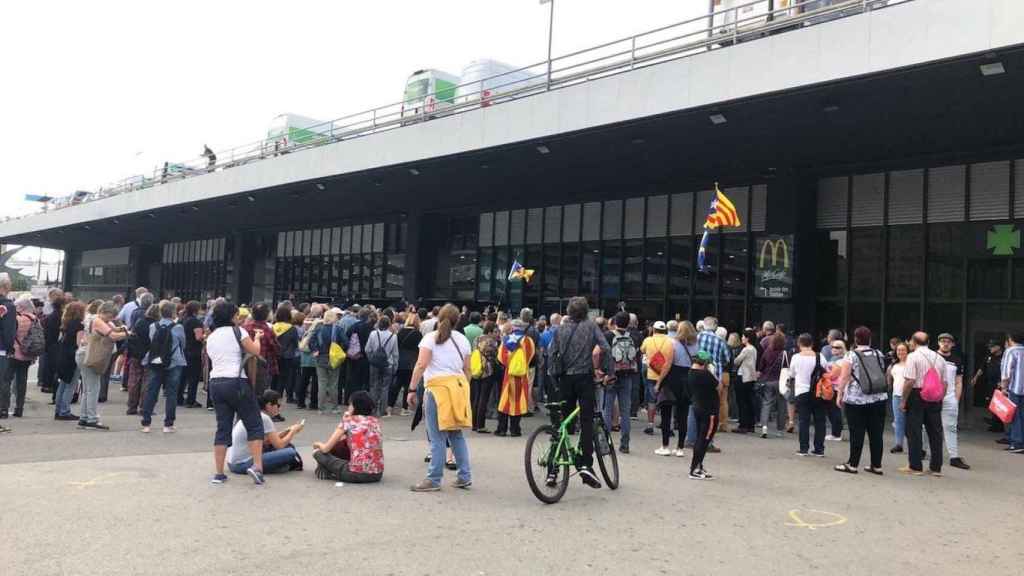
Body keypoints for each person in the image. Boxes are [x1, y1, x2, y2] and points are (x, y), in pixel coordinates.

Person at [406, 304, 473, 492]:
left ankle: (434, 478)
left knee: (436, 436)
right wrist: (463, 387)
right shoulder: (463, 340)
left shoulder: (430, 338)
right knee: (456, 434)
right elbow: (468, 369)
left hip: (436, 389)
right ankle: (464, 476)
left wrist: (412, 389)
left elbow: (421, 365)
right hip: (458, 388)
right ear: (457, 320)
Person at [547, 297, 609, 489]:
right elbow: (605, 347)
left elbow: (551, 353)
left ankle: (552, 469)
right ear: (586, 311)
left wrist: (555, 378)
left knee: (562, 424)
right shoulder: (591, 327)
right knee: (587, 420)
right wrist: (605, 371)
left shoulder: (560, 329)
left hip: (564, 379)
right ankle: (585, 464)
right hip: (584, 378)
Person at [206, 301, 266, 485]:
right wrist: (257, 338)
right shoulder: (239, 331)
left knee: (223, 426)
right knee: (254, 423)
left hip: (216, 382)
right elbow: (255, 351)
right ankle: (257, 466)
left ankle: (219, 473)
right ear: (232, 316)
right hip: (236, 380)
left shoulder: (212, 336)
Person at [832, 326, 888, 475]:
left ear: (855, 339)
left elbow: (844, 377)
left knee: (857, 432)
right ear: (870, 339)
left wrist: (839, 394)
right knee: (876, 433)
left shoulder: (851, 355)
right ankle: (876, 465)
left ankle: (853, 464)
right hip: (878, 397)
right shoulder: (878, 354)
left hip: (857, 399)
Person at [900, 332, 946, 476]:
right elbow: (944, 382)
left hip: (917, 395)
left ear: (914, 342)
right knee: (935, 432)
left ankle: (915, 465)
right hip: (935, 396)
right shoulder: (939, 358)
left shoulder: (913, 357)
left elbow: (909, 381)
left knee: (914, 430)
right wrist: (940, 397)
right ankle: (936, 467)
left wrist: (903, 400)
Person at [312, 390, 384, 483]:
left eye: (350, 405)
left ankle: (325, 467)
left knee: (318, 452)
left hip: (355, 474)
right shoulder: (375, 421)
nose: (348, 407)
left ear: (355, 407)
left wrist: (316, 444)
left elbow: (326, 448)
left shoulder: (348, 421)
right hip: (377, 474)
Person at [227, 390, 304, 475]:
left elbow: (267, 440)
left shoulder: (254, 414)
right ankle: (277, 467)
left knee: (288, 446)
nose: (279, 408)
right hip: (242, 464)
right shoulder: (264, 418)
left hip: (232, 463)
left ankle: (278, 466)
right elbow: (279, 445)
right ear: (269, 405)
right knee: (290, 452)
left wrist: (288, 430)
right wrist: (293, 431)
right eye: (277, 405)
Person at [78, 301, 128, 430]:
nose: (111, 319)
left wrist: (122, 329)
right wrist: (128, 334)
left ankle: (84, 417)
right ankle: (92, 418)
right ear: (105, 312)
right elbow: (113, 335)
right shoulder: (98, 321)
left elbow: (112, 328)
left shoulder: (93, 318)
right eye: (110, 316)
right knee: (93, 388)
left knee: (87, 389)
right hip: (91, 355)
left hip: (84, 354)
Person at [140, 300, 186, 434]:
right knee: (171, 393)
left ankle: (146, 423)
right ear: (173, 312)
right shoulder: (178, 327)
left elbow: (151, 341)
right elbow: (182, 344)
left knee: (152, 391)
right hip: (174, 362)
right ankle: (168, 424)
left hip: (156, 361)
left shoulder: (153, 326)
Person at [655, 320, 699, 457]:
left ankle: (665, 445)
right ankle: (680, 447)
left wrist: (659, 382)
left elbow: (667, 365)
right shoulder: (696, 346)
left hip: (672, 379)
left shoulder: (672, 343)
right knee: (682, 414)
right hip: (688, 379)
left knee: (666, 412)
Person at [602, 312, 637, 453]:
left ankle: (605, 445)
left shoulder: (608, 336)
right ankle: (625, 445)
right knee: (625, 412)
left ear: (615, 322)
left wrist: (599, 370)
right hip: (627, 376)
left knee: (607, 410)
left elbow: (597, 353)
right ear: (629, 323)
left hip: (610, 376)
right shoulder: (633, 337)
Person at [495, 319, 534, 437]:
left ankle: (501, 429)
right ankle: (515, 429)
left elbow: (501, 357)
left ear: (512, 328)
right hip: (522, 375)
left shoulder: (506, 339)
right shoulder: (528, 341)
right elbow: (530, 356)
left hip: (509, 374)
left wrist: (509, 364)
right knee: (518, 401)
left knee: (505, 401)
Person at [936, 333, 970, 470]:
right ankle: (923, 450)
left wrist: (956, 399)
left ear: (953, 344)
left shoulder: (957, 359)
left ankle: (954, 457)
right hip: (932, 396)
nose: (945, 343)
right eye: (943, 341)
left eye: (948, 342)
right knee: (927, 426)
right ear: (938, 343)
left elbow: (959, 381)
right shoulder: (932, 356)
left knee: (950, 427)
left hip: (950, 397)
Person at [789, 333, 827, 457]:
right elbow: (826, 371)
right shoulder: (820, 356)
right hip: (818, 391)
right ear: (812, 344)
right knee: (820, 421)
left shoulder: (796, 357)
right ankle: (819, 449)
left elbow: (792, 374)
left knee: (803, 420)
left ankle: (803, 448)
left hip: (802, 391)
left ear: (799, 343)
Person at [2, 296, 38, 419]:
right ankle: (19, 408)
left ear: (21, 307)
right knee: (22, 382)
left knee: (6, 380)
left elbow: (10, 334)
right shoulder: (35, 319)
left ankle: (4, 408)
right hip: (27, 354)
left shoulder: (16, 319)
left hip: (13, 353)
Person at [687, 351, 720, 480]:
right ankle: (694, 468)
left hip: (697, 406)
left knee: (701, 437)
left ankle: (698, 466)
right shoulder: (705, 374)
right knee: (705, 439)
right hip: (709, 410)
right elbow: (719, 387)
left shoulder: (690, 373)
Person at [698, 317, 732, 435]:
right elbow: (727, 359)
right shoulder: (720, 340)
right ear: (715, 326)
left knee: (697, 403)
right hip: (714, 375)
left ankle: (697, 430)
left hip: (698, 373)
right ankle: (709, 434)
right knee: (713, 404)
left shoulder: (697, 337)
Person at [640, 320, 673, 436]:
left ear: (653, 329)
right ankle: (667, 425)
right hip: (666, 374)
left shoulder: (648, 340)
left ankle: (650, 425)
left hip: (651, 374)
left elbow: (642, 350)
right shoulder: (670, 342)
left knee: (651, 400)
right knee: (666, 401)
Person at [125, 292, 156, 415]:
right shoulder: (153, 322)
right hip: (148, 352)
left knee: (134, 379)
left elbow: (132, 331)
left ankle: (132, 406)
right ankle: (144, 407)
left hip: (136, 352)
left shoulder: (135, 315)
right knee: (147, 380)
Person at [54, 301, 86, 421]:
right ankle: (64, 411)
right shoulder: (79, 325)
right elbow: (80, 343)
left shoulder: (66, 323)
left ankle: (58, 410)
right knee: (71, 385)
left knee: (62, 384)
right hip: (72, 357)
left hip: (63, 355)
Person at [310, 308, 345, 414]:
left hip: (320, 357)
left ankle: (321, 408)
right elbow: (346, 342)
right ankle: (335, 407)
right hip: (334, 358)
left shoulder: (319, 328)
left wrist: (315, 350)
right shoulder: (338, 329)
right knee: (334, 384)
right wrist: (340, 350)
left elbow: (311, 340)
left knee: (322, 383)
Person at [365, 315, 398, 417]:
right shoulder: (393, 336)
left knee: (374, 386)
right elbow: (395, 353)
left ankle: (372, 409)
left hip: (374, 363)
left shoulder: (373, 334)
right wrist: (395, 365)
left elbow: (367, 349)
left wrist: (371, 358)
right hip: (388, 364)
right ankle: (383, 410)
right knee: (385, 387)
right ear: (389, 324)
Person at [470, 321, 499, 433]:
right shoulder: (491, 342)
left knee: (476, 398)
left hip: (477, 370)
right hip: (487, 371)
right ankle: (481, 425)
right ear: (490, 331)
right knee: (484, 398)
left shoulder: (476, 339)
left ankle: (474, 424)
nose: (497, 334)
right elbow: (494, 357)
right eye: (495, 332)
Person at [757, 333, 787, 439]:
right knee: (782, 405)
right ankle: (779, 430)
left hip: (768, 380)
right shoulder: (784, 353)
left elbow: (761, 367)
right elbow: (788, 368)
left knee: (766, 404)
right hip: (781, 382)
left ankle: (764, 427)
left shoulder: (767, 351)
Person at [393, 313, 422, 416]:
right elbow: (420, 349)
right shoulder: (417, 334)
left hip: (400, 360)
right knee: (407, 385)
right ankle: (404, 408)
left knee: (397, 384)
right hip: (411, 362)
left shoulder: (400, 332)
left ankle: (390, 406)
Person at [1000, 331, 1024, 454]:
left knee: (1015, 416)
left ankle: (1017, 443)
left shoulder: (1011, 351)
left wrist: (1003, 388)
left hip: (1014, 389)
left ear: (1010, 339)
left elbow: (1007, 372)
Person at [178, 301, 206, 408]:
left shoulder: (183, 319)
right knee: (193, 377)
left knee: (183, 376)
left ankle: (179, 398)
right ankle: (191, 400)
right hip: (194, 351)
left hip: (184, 350)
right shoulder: (196, 322)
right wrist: (205, 336)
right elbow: (198, 337)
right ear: (196, 310)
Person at [271, 304, 300, 406]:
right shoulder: (292, 329)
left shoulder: (272, 327)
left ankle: (271, 397)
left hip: (274, 356)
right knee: (283, 378)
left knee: (274, 377)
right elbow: (296, 343)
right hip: (287, 357)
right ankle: (279, 397)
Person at [731, 329, 758, 434]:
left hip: (743, 376)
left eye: (743, 336)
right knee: (748, 401)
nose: (742, 338)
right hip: (750, 377)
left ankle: (743, 424)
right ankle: (750, 424)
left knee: (741, 401)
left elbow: (736, 361)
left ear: (747, 338)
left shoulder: (746, 349)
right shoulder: (754, 349)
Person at [821, 329, 846, 441]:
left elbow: (833, 375)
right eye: (833, 347)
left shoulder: (841, 360)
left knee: (834, 410)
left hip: (836, 388)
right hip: (831, 387)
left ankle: (836, 433)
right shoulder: (833, 358)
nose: (834, 349)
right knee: (832, 410)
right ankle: (836, 432)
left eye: (837, 347)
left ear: (842, 349)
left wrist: (825, 375)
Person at [888, 342, 910, 454]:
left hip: (910, 396)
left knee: (911, 421)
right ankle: (899, 444)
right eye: (899, 350)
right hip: (896, 395)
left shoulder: (911, 364)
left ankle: (914, 444)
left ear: (908, 351)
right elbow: (891, 379)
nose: (901, 352)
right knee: (898, 421)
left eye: (903, 350)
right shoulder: (894, 365)